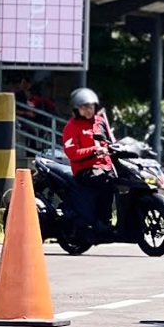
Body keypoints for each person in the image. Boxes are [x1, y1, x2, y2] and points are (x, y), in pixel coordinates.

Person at [62, 87, 116, 234]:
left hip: (106, 166)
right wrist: (94, 150)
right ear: (76, 109)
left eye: (91, 107)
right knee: (106, 181)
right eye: (84, 107)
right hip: (85, 170)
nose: (88, 110)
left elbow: (112, 141)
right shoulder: (71, 127)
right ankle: (102, 221)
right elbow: (72, 153)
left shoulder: (100, 122)